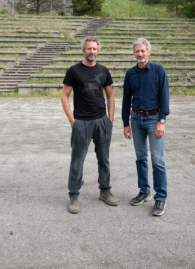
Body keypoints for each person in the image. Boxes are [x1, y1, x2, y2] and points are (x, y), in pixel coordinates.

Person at [61, 36, 117, 214]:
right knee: (77, 160)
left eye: (94, 49)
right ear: (83, 50)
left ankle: (105, 190)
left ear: (98, 50)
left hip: (101, 121)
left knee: (104, 158)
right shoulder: (74, 71)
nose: (92, 52)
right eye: (89, 49)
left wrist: (110, 119)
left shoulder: (104, 71)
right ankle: (74, 195)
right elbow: (64, 96)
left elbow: (110, 95)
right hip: (82, 122)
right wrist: (72, 120)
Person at [122, 37, 169, 216]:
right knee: (140, 157)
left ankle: (161, 197)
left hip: (154, 119)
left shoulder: (158, 70)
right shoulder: (130, 74)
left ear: (148, 52)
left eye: (143, 51)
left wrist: (162, 121)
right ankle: (144, 191)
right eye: (137, 51)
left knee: (157, 161)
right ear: (134, 54)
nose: (140, 54)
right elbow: (127, 100)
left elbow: (165, 96)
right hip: (136, 120)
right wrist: (126, 123)